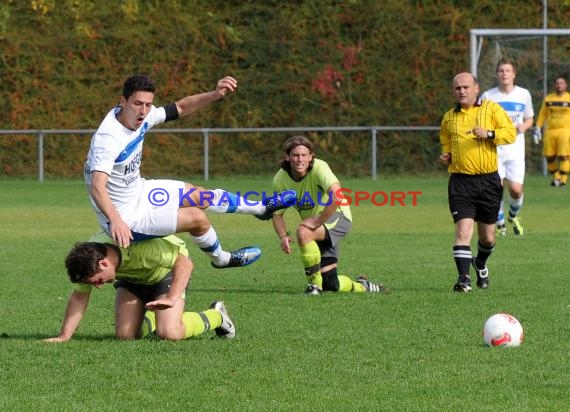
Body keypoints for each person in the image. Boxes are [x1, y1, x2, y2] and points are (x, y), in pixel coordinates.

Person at [84, 74, 290, 269]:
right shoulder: (108, 138)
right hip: (127, 217)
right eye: (138, 104)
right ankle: (222, 259)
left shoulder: (143, 115)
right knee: (196, 218)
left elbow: (180, 107)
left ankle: (262, 209)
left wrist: (215, 94)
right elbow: (97, 185)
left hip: (140, 191)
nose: (144, 111)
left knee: (198, 195)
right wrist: (117, 221)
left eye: (148, 104)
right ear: (123, 101)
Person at [44, 232, 235, 342]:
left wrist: (171, 298)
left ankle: (217, 316)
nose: (99, 287)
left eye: (98, 281)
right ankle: (152, 314)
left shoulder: (143, 249)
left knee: (169, 333)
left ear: (103, 264)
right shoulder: (86, 259)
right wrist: (64, 336)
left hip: (166, 273)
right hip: (132, 281)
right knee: (125, 336)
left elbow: (185, 264)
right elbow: (79, 297)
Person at [269, 135, 387, 295]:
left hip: (338, 216)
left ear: (311, 157)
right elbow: (277, 213)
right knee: (331, 283)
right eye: (295, 155)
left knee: (303, 232)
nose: (300, 159)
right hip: (318, 226)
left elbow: (337, 196)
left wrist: (317, 221)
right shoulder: (280, 179)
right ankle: (363, 286)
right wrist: (283, 236)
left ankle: (313, 287)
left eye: (304, 155)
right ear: (287, 157)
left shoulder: (319, 168)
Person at [439, 72, 516, 292]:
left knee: (488, 238)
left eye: (465, 87)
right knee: (463, 231)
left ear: (476, 88)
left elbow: (510, 133)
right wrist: (446, 155)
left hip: (489, 182)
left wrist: (489, 134)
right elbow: (446, 140)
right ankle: (463, 279)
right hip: (460, 182)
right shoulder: (449, 117)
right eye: (457, 88)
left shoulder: (491, 109)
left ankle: (480, 263)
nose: (461, 91)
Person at [481, 57, 534, 236]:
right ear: (497, 74)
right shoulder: (488, 96)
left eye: (508, 71)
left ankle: (513, 215)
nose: (504, 74)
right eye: (501, 71)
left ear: (514, 74)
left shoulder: (523, 94)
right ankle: (500, 223)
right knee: (496, 187)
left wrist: (523, 126)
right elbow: (480, 118)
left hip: (515, 149)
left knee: (516, 190)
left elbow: (529, 118)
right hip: (494, 149)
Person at [533, 74, 570, 187]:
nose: (559, 85)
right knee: (549, 156)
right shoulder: (549, 98)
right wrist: (537, 127)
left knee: (563, 155)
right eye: (557, 83)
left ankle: (563, 179)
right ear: (555, 85)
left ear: (565, 85)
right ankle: (556, 178)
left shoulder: (569, 98)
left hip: (565, 130)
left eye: (561, 83)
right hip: (550, 131)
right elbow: (542, 114)